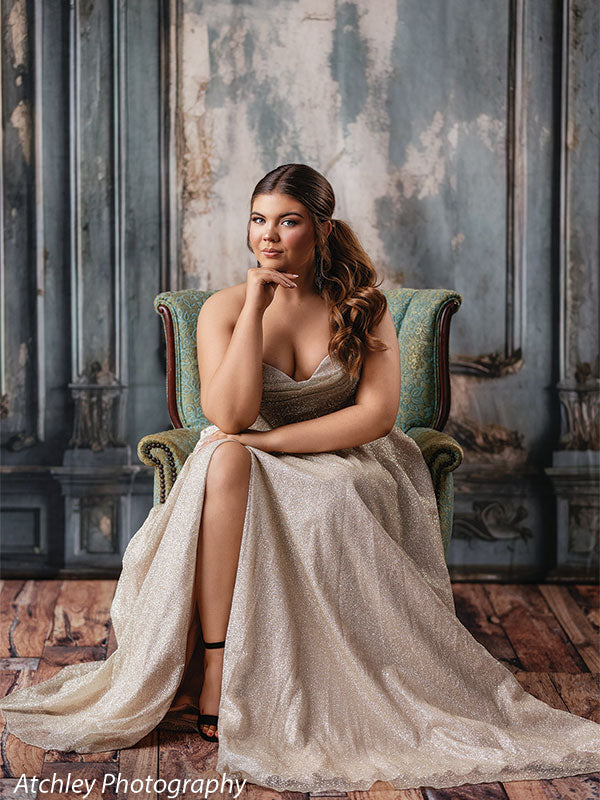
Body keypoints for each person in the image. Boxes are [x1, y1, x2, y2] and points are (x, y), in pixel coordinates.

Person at [1, 164, 599, 793]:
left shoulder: (363, 307)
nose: (269, 236)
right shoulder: (223, 310)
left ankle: (324, 676)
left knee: (327, 490)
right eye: (259, 220)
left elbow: (376, 415)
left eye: (287, 221)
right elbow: (228, 417)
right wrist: (256, 309)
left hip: (346, 454)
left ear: (321, 228)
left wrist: (274, 442)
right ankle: (217, 666)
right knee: (224, 456)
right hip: (245, 454)